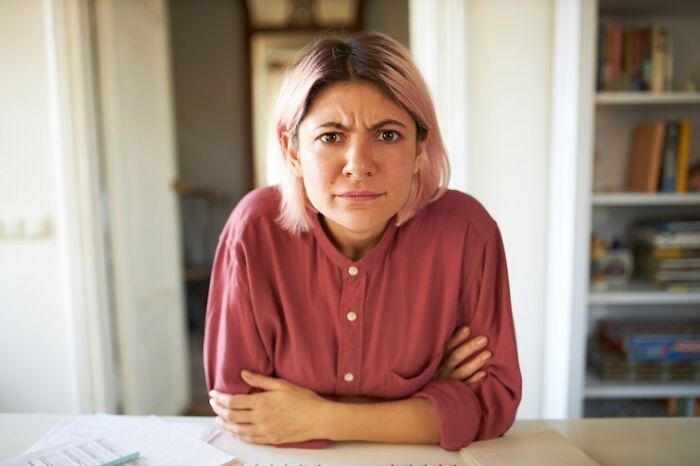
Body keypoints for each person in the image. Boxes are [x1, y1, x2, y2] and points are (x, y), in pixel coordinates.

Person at [204, 32, 521, 451]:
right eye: (331, 136)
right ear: (293, 149)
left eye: (387, 135)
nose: (359, 165)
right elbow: (244, 409)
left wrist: (319, 415)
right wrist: (426, 400)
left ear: (419, 147)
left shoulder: (467, 232)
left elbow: (492, 404)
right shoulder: (253, 231)